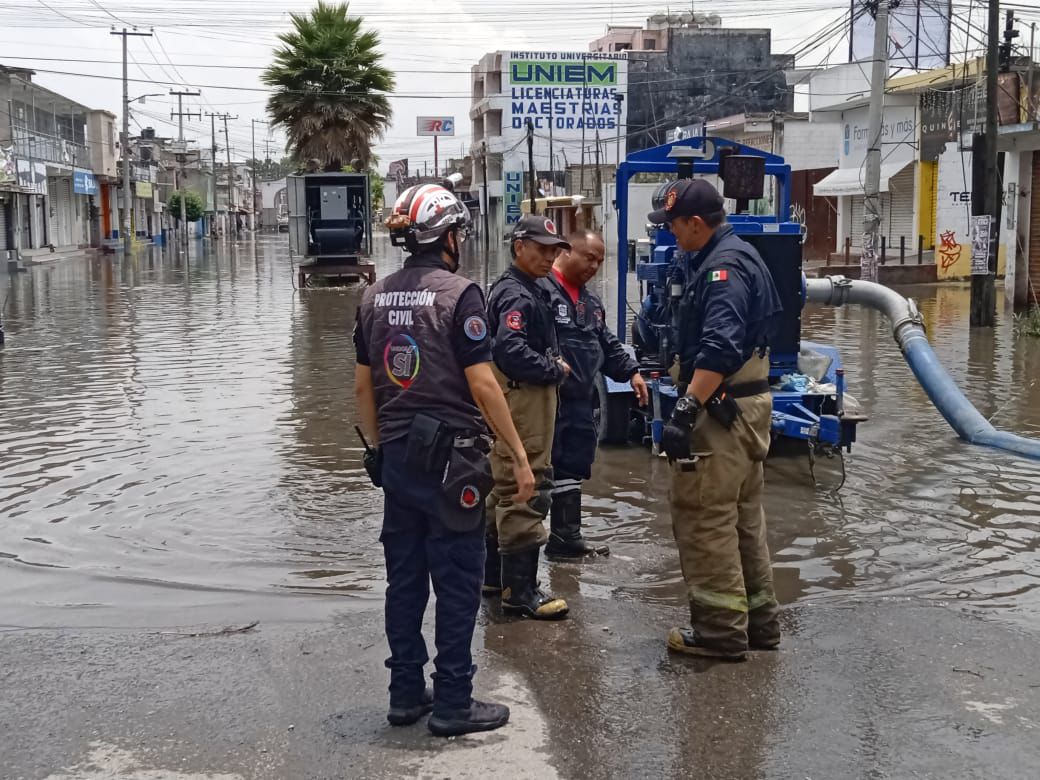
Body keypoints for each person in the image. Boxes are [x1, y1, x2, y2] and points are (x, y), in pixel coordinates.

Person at [353, 183, 536, 737]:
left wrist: (379, 450)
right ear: (449, 235)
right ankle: (455, 701)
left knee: (404, 581)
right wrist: (520, 456)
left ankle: (406, 693)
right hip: (454, 464)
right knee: (457, 581)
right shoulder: (461, 295)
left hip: (398, 462)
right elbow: (482, 382)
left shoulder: (372, 298)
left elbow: (363, 389)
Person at [648, 178, 784, 661]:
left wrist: (684, 412)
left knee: (704, 517)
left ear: (696, 223)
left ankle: (721, 632)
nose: (671, 236)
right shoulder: (739, 255)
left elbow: (721, 347)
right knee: (744, 519)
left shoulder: (722, 269)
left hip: (721, 410)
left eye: (675, 226)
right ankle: (760, 624)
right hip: (748, 411)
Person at [539, 230, 649, 560]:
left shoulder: (590, 303)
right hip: (544, 403)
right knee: (536, 472)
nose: (595, 266)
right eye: (590, 257)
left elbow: (607, 345)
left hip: (579, 403)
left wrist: (632, 372)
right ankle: (514, 559)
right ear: (566, 251)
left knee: (573, 468)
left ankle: (566, 539)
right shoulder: (539, 292)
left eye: (600, 261)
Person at [483, 214, 571, 620]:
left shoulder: (524, 288)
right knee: (527, 485)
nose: (549, 257)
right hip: (524, 399)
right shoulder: (516, 294)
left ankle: (493, 577)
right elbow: (509, 349)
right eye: (542, 249)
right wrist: (553, 368)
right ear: (519, 247)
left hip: (516, 397)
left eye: (554, 250)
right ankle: (520, 591)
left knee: (501, 487)